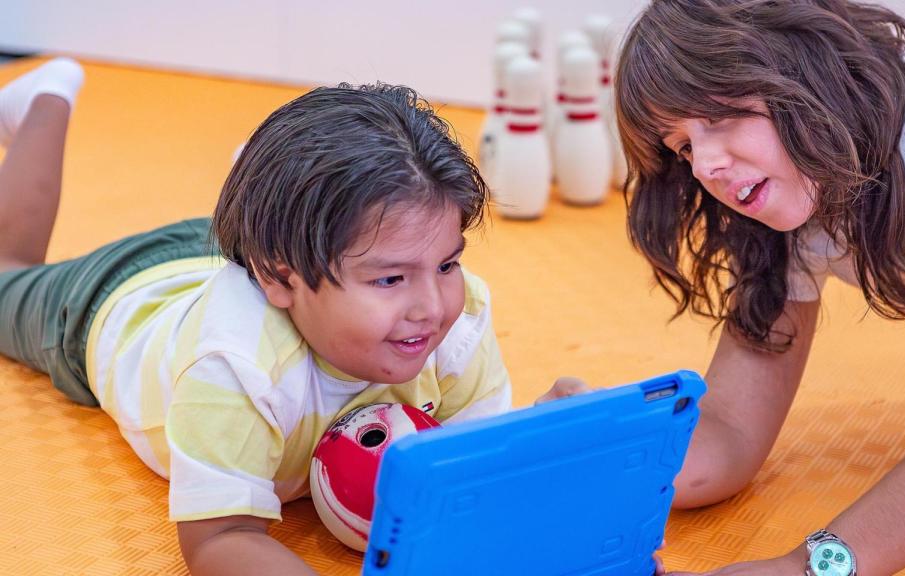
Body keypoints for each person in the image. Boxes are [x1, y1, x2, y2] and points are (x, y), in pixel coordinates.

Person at [0, 59, 558, 575]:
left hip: (264, 253)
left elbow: (480, 480)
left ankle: (267, 182)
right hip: (116, 299)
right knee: (7, 268)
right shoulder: (237, 366)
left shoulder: (456, 323)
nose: (432, 307)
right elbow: (219, 538)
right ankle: (47, 98)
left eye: (448, 264)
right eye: (390, 279)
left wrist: (561, 443)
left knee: (321, 231)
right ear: (278, 276)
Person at [611, 1, 905, 574]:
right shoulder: (804, 195)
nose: (703, 165)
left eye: (717, 115)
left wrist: (814, 567)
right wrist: (604, 443)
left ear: (803, 67)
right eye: (681, 145)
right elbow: (727, 434)